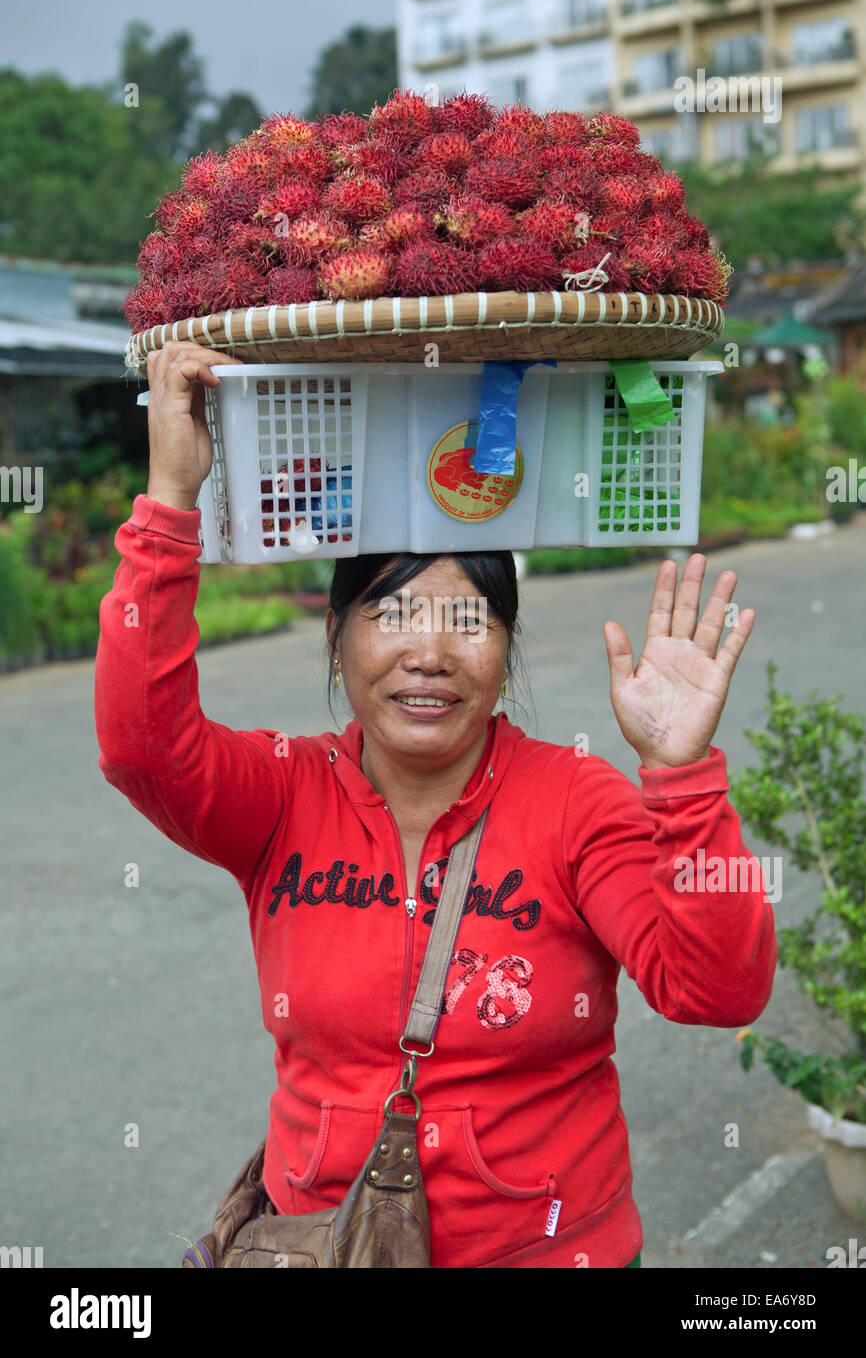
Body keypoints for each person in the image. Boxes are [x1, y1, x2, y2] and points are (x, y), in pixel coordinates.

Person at [94, 341, 776, 1269]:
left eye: (468, 619)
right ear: (335, 639)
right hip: (323, 1246)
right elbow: (140, 745)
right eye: (390, 613)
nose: (430, 652)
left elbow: (719, 991)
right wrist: (170, 500)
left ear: (508, 650)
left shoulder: (578, 802)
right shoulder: (282, 794)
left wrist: (684, 775)